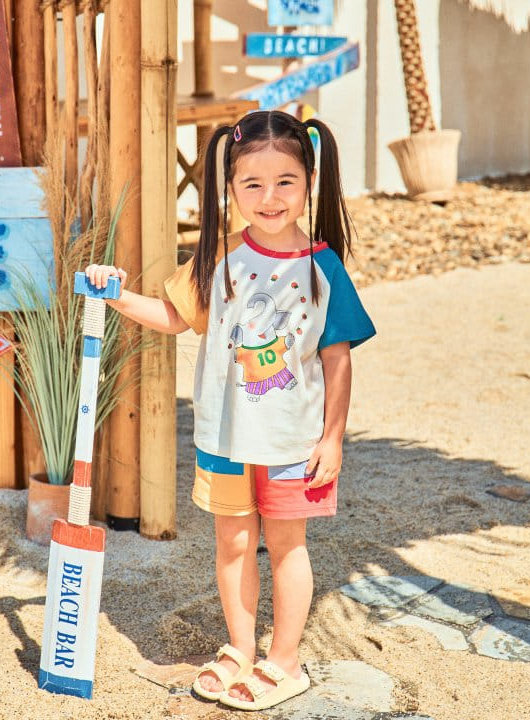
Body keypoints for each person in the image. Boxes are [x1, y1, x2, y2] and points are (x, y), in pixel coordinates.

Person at [85, 110, 375, 711]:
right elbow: (173, 317)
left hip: (295, 442)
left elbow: (339, 361)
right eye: (252, 184)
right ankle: (242, 649)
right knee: (233, 545)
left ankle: (284, 660)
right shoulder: (218, 256)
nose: (269, 198)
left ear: (309, 180)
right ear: (230, 188)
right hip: (223, 438)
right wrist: (115, 294)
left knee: (289, 546)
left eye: (285, 182)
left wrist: (334, 439)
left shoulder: (322, 268)